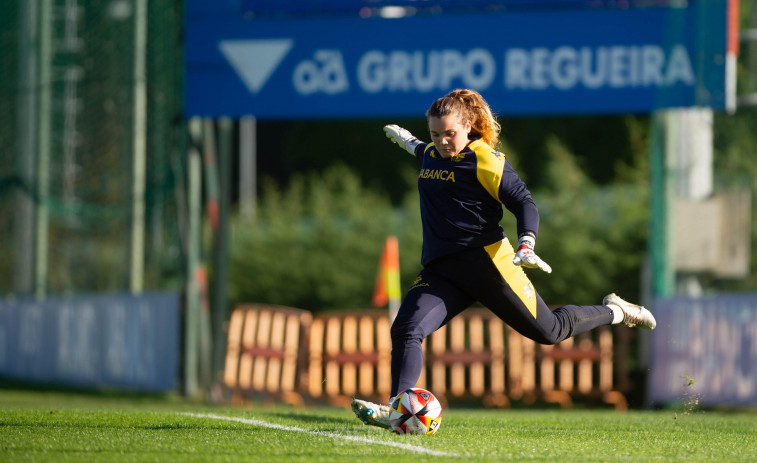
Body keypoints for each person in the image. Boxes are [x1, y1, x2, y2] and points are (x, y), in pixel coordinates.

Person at [350, 89, 656, 429]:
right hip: (443, 272)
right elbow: (422, 150)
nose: (442, 142)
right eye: (435, 134)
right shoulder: (432, 153)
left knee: (550, 331)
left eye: (449, 134)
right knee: (406, 329)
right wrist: (408, 141)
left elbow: (525, 203)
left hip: (489, 267)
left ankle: (617, 310)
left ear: (467, 126)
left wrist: (527, 244)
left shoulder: (486, 159)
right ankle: (398, 410)